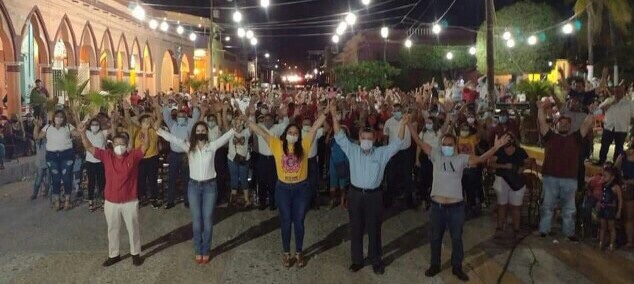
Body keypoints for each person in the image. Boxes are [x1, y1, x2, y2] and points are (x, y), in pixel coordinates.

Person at [409, 123, 510, 282]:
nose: (447, 147)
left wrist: (495, 147)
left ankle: (457, 267)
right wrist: (409, 124)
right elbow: (418, 141)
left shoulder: (462, 159)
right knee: (435, 237)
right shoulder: (436, 155)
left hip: (456, 208)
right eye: (444, 144)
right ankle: (435, 265)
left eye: (450, 145)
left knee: (457, 238)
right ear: (441, 145)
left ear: (455, 146)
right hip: (437, 207)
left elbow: (480, 159)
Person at [245, 104, 328, 268]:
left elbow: (315, 127)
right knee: (285, 221)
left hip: (301, 189)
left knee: (299, 221)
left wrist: (326, 112)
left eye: (295, 133)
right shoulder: (277, 145)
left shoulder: (304, 145)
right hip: (283, 189)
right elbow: (261, 132)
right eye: (290, 133)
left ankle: (298, 252)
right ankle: (286, 253)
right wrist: (247, 119)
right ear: (285, 134)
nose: (293, 135)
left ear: (299, 135)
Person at [331, 103, 407, 275]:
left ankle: (376, 260)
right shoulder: (353, 150)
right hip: (355, 194)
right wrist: (334, 116)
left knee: (374, 229)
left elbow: (397, 143)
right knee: (356, 228)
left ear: (374, 139)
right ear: (359, 137)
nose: (366, 141)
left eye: (369, 139)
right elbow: (339, 135)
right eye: (363, 138)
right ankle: (357, 260)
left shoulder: (381, 153)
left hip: (374, 196)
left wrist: (402, 123)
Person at [156, 118, 237, 264]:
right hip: (193, 187)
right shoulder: (188, 146)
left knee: (207, 220)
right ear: (195, 133)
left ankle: (206, 250)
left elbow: (225, 137)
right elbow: (173, 138)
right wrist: (159, 130)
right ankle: (198, 250)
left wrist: (234, 129)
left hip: (210, 188)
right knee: (197, 221)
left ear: (207, 132)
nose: (200, 133)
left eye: (203, 131)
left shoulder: (212, 146)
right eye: (198, 131)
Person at [79, 122, 147, 267]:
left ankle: (135, 253)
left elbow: (145, 146)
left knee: (133, 228)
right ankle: (114, 255)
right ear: (111, 145)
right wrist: (82, 133)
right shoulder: (106, 156)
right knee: (112, 229)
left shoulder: (133, 156)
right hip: (111, 201)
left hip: (130, 200)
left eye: (122, 143)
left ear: (127, 144)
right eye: (116, 143)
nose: (119, 146)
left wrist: (145, 131)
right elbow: (89, 147)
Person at [536, 100, 595, 241]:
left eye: (566, 123)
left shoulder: (575, 138)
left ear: (570, 126)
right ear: (556, 125)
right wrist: (540, 109)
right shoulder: (550, 136)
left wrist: (591, 112)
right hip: (551, 178)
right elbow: (542, 122)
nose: (564, 124)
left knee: (569, 209)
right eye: (561, 123)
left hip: (569, 179)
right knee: (547, 206)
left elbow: (586, 125)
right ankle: (544, 230)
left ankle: (569, 233)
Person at [34, 110, 79, 210]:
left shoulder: (68, 126)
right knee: (55, 179)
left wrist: (77, 120)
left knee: (67, 178)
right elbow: (36, 137)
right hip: (52, 156)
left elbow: (78, 134)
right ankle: (57, 201)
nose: (59, 118)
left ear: (64, 118)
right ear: (53, 117)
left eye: (61, 116)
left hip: (67, 155)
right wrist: (37, 126)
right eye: (57, 116)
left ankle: (67, 201)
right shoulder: (48, 127)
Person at [162, 96, 201, 209]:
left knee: (186, 178)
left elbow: (196, 116)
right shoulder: (172, 124)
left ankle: (187, 200)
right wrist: (165, 105)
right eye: (179, 116)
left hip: (185, 155)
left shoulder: (189, 124)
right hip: (173, 155)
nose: (180, 118)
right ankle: (170, 201)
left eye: (183, 116)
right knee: (172, 178)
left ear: (186, 117)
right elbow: (166, 117)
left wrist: (195, 106)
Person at [489, 135, 531, 238]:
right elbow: (491, 164)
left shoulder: (520, 151)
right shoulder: (499, 151)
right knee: (501, 205)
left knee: (516, 206)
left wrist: (522, 168)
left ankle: (516, 228)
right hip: (502, 179)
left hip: (516, 181)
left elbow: (528, 163)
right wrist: (504, 166)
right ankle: (500, 227)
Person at [252, 110, 290, 210]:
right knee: (262, 181)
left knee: (273, 182)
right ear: (263, 121)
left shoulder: (277, 128)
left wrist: (285, 114)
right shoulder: (260, 128)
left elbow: (286, 124)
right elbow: (252, 125)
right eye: (265, 119)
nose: (267, 121)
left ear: (273, 120)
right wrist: (251, 115)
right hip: (262, 159)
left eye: (269, 120)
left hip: (274, 159)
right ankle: (262, 202)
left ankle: (273, 203)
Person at [383, 104, 414, 208]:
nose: (397, 112)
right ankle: (389, 199)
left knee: (407, 176)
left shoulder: (408, 121)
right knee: (391, 176)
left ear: (402, 110)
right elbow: (385, 137)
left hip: (406, 152)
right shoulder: (388, 122)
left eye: (399, 110)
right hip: (393, 152)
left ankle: (409, 200)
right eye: (395, 110)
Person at [597, 86, 633, 165]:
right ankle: (601, 162)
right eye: (616, 91)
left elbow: (633, 116)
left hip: (621, 128)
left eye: (619, 91)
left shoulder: (629, 103)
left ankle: (616, 165)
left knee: (619, 148)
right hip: (609, 127)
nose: (617, 93)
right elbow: (599, 110)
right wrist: (610, 103)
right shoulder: (609, 100)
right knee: (604, 146)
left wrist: (629, 126)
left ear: (623, 92)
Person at [83, 118, 108, 211]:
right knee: (91, 182)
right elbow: (80, 128)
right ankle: (91, 201)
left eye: (96, 124)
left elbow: (113, 130)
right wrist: (84, 120)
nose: (94, 126)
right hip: (90, 161)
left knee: (102, 182)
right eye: (92, 124)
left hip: (101, 161)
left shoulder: (103, 133)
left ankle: (103, 200)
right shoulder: (87, 133)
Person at [597, 165, 623, 251]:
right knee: (603, 227)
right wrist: (599, 203)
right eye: (603, 175)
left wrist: (619, 211)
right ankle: (601, 242)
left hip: (610, 209)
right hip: (603, 208)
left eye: (605, 176)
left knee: (611, 227)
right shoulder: (603, 186)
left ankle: (612, 244)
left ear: (612, 177)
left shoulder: (616, 187)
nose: (603, 177)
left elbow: (620, 200)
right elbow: (601, 196)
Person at [227, 119, 252, 207]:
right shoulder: (230, 133)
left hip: (244, 159)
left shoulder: (246, 132)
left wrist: (248, 116)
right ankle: (233, 200)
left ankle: (247, 200)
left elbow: (252, 125)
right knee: (234, 179)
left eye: (239, 123)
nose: (238, 125)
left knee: (244, 179)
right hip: (232, 159)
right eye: (236, 123)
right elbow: (225, 123)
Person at [615, 138, 634, 248]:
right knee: (628, 216)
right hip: (627, 188)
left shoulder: (624, 155)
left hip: (628, 186)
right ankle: (629, 241)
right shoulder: (624, 154)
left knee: (629, 217)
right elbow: (616, 169)